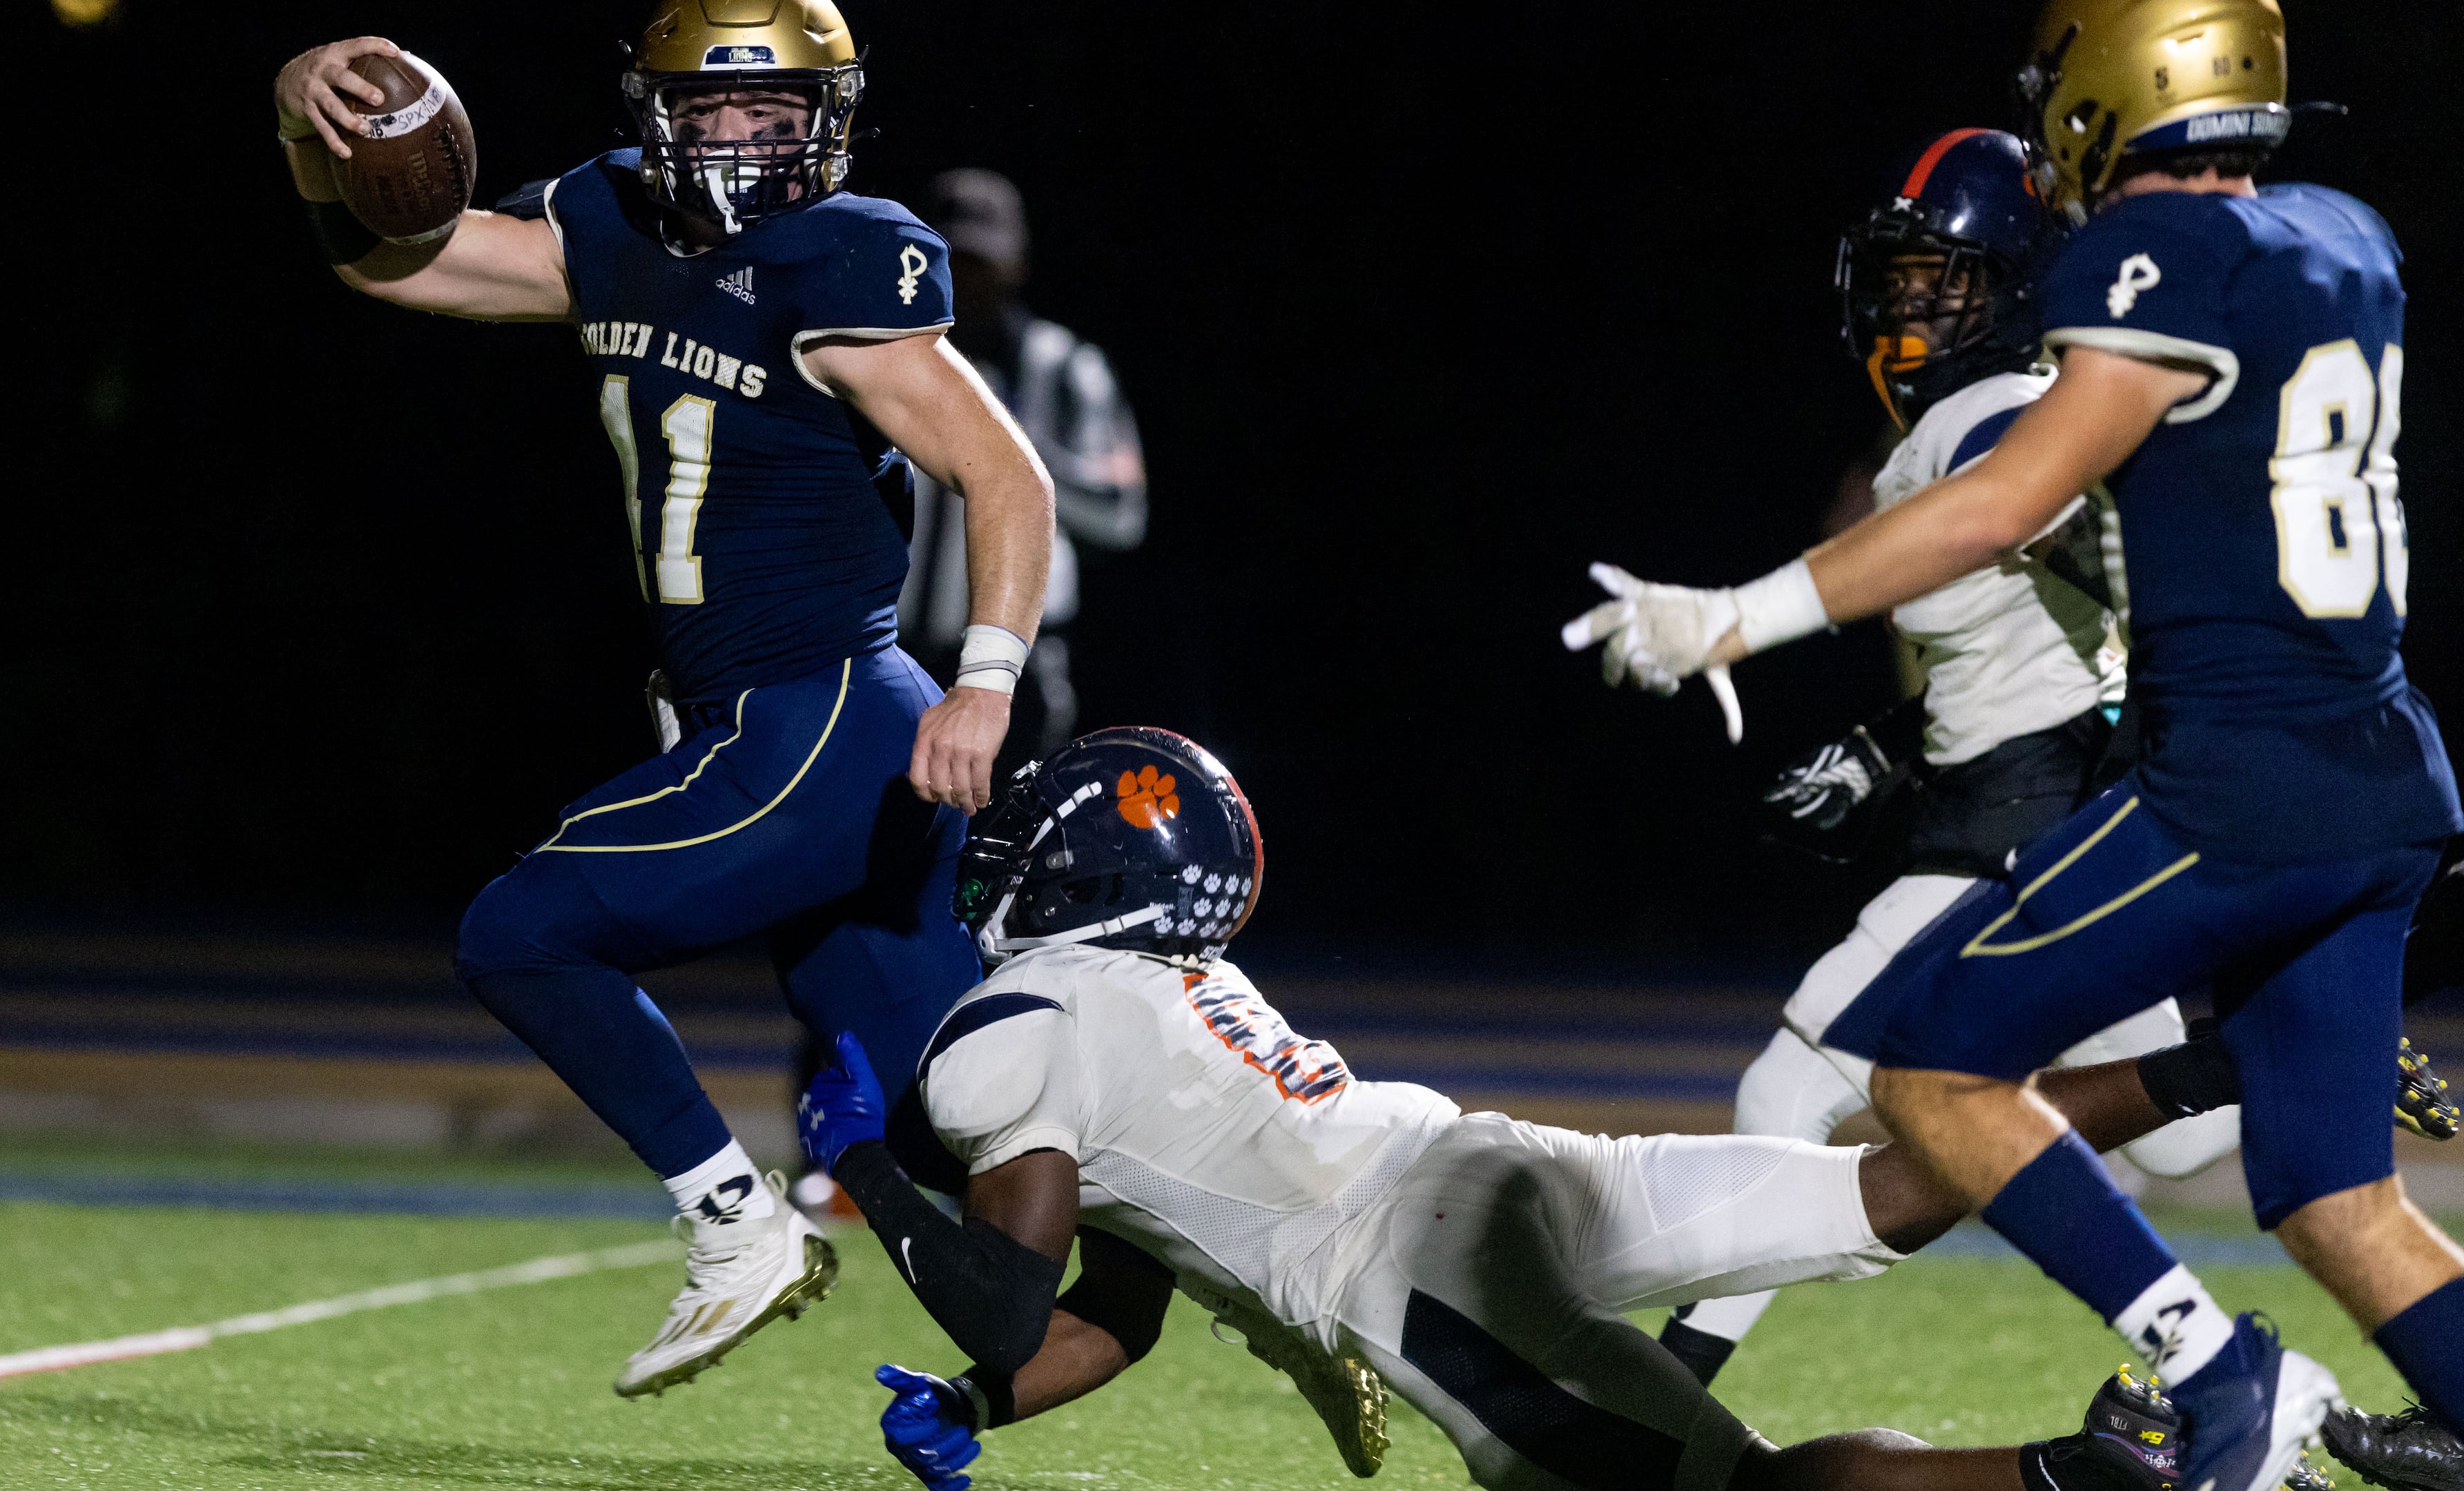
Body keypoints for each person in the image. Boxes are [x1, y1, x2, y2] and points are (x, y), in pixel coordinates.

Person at [1564, 1, 2464, 1486]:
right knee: (2330, 1195)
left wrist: (1732, 621)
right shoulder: (2347, 235)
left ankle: (2218, 1373)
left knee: (1928, 1071)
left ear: (2124, 90)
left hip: (2236, 781)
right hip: (2386, 774)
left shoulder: (2149, 257)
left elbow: (2005, 498)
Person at [793, 728, 2327, 1491]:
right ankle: (2221, 1064)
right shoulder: (1168, 997)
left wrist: (855, 1151)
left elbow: (1006, 1301)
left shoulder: (1019, 1021)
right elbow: (1113, 1309)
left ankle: (2102, 1465)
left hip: (1418, 1283)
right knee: (1886, 1187)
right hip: (1493, 1159)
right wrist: (991, 1409)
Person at [269, 0, 1054, 1399]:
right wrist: (302, 126)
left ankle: (733, 1225)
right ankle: (1282, 1261)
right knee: (965, 1119)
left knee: (523, 935)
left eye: (777, 108)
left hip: (816, 716)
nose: (747, 137)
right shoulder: (612, 225)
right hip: (769, 723)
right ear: (658, 116)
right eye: (714, 109)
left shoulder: (846, 257)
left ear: (832, 118)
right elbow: (402, 268)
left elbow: (1006, 479)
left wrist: (986, 682)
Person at [1654, 127, 2244, 1388]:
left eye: (1946, 279)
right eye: (1904, 276)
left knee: (1788, 1090)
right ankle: (2285, 1039)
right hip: (2049, 813)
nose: (1911, 303)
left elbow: (2054, 531)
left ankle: (1660, 1403)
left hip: (2015, 836)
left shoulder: (1992, 416)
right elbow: (2027, 645)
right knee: (2187, 1144)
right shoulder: (1985, 412)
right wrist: (1888, 753)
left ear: (2017, 282)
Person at [896, 168, 1148, 767]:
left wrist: (1006, 449)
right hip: (892, 652)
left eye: (984, 263)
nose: (968, 282)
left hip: (1022, 668)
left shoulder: (1063, 367)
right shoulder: (882, 359)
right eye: (954, 261)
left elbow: (1122, 517)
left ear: (1017, 265)